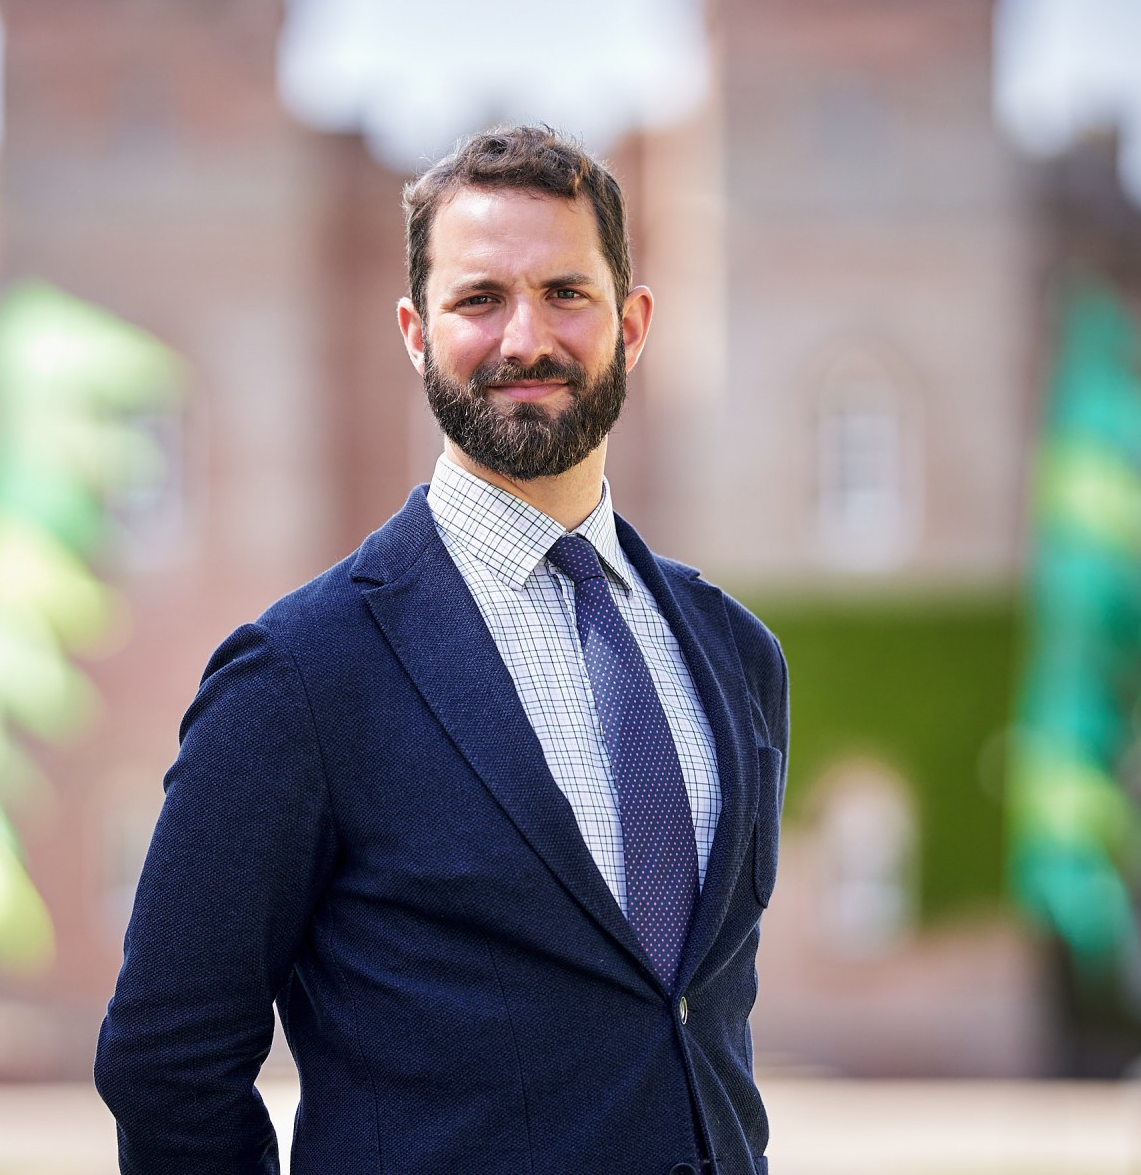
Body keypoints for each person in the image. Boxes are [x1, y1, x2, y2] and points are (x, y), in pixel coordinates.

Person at [95, 124, 789, 1175]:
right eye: (478, 299)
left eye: (566, 292)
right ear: (415, 333)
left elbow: (688, 1020)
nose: (525, 338)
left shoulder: (734, 653)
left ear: (632, 325)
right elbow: (167, 1063)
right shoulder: (298, 677)